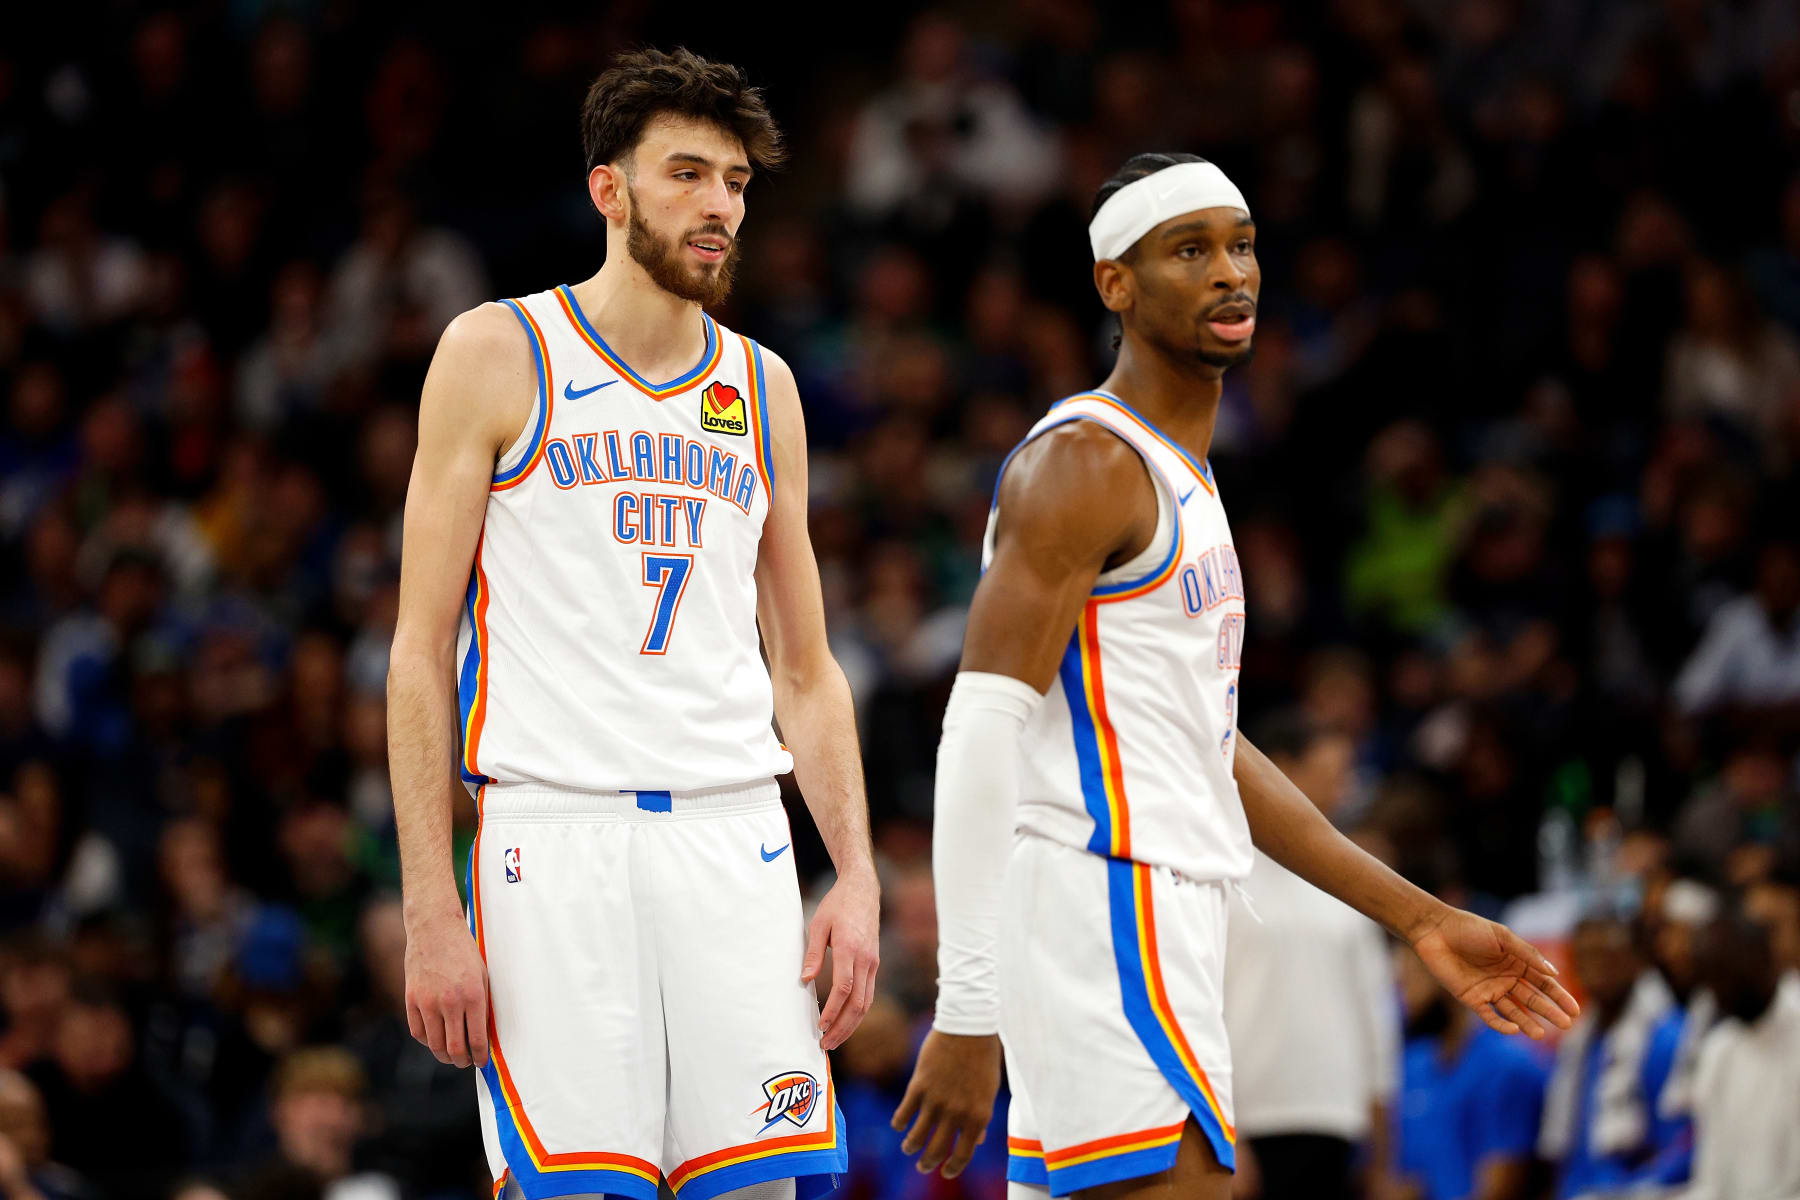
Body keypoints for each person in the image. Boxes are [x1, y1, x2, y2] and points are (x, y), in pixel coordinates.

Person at [892, 153, 1578, 1200]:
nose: (1231, 273)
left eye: (1244, 244)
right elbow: (978, 732)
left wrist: (1422, 918)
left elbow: (1210, 748)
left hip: (1151, 907)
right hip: (1107, 900)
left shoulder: (1184, 475)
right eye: (1191, 249)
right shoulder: (1086, 465)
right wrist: (966, 1004)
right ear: (1115, 283)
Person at [387, 47, 878, 1200]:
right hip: (554, 837)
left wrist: (853, 875)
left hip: (736, 841)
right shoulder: (498, 351)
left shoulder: (764, 389)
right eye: (688, 174)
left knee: (757, 1192)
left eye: (738, 182)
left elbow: (805, 671)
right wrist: (428, 910)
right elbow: (419, 652)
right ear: (610, 191)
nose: (720, 206)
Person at [1219, 713, 1399, 1200]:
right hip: (1248, 1117)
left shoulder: (1358, 883)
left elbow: (1376, 1018)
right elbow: (1202, 1005)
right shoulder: (1223, 871)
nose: (1343, 787)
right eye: (1329, 772)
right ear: (1278, 770)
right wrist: (1222, 1130)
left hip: (1336, 1117)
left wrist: (1384, 1155)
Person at [1537, 917, 1689, 1199]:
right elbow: (1562, 1153)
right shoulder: (1577, 1046)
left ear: (1637, 960)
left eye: (1605, 956)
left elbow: (1681, 1148)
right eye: (1584, 958)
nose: (1595, 968)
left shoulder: (1668, 1039)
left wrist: (1623, 1192)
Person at [1392, 948, 1550, 1200]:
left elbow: (1500, 1188)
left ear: (1450, 981)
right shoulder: (1414, 1064)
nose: (1404, 999)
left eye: (1411, 979)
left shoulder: (1508, 1066)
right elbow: (1405, 1179)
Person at [1683, 912, 1800, 1199]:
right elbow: (1709, 1180)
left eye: (1726, 973)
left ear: (1764, 958)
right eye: (1710, 979)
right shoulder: (1719, 1049)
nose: (1720, 990)